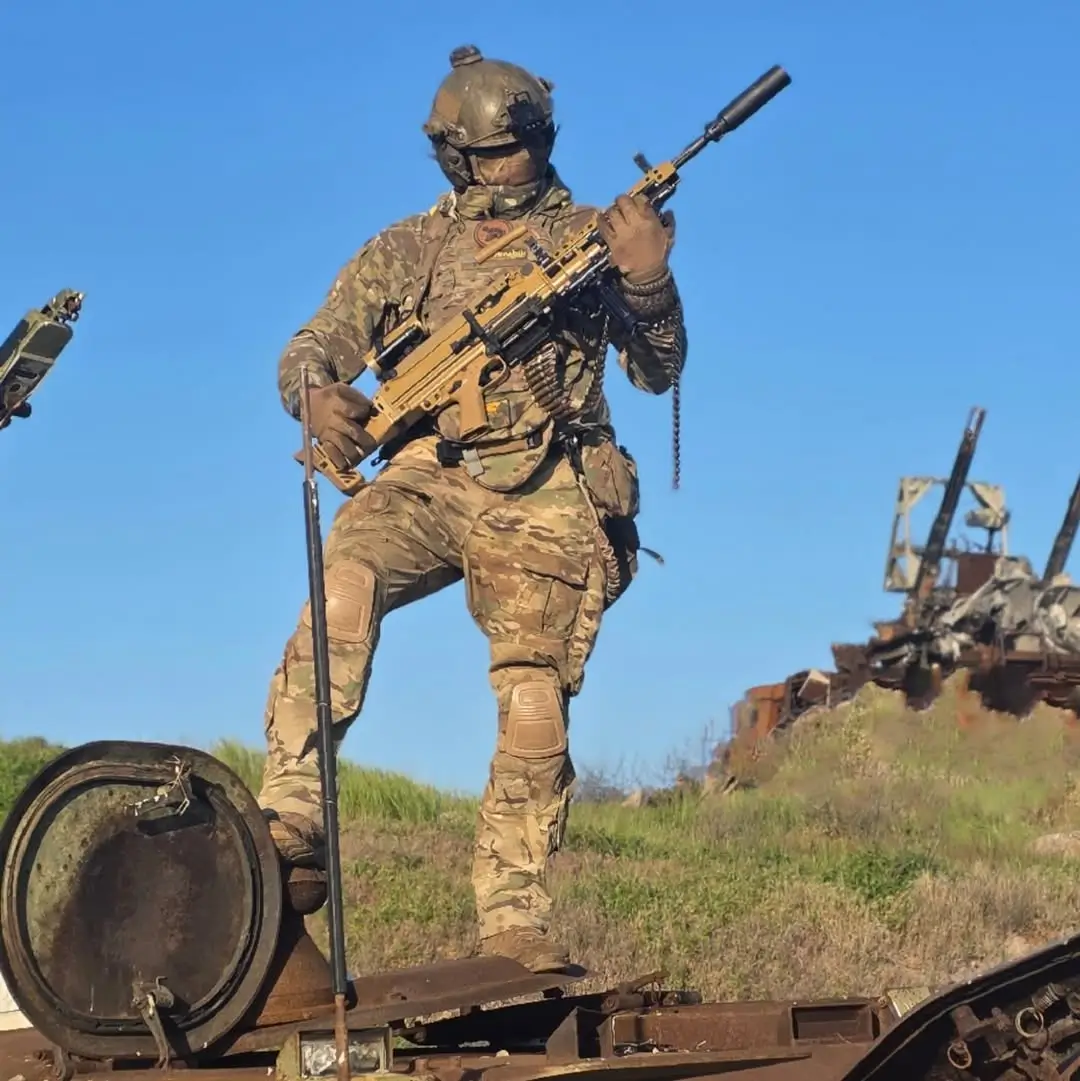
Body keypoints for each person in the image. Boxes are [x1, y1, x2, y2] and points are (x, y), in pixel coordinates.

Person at [258, 44, 688, 973]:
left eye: (528, 148)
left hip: (548, 485)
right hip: (426, 477)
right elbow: (313, 343)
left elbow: (658, 371)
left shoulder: (591, 234)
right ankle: (292, 811)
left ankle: (512, 924)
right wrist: (315, 392)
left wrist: (648, 279)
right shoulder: (405, 249)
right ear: (454, 157)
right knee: (341, 588)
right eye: (496, 155)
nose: (517, 168)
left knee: (534, 703)